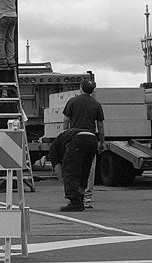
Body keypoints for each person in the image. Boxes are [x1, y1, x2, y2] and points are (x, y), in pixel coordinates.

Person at [62, 79, 105, 209]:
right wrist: (101, 141)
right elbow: (100, 125)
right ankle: (86, 198)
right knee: (89, 170)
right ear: (93, 90)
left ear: (80, 88)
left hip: (75, 139)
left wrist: (65, 135)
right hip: (91, 139)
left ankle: (75, 198)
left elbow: (66, 119)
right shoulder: (96, 104)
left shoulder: (72, 101)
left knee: (73, 169)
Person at [49, 126, 97, 212]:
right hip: (92, 138)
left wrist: (67, 185)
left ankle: (75, 202)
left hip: (79, 139)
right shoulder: (62, 141)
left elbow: (60, 172)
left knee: (70, 172)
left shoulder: (53, 149)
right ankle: (80, 200)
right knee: (84, 172)